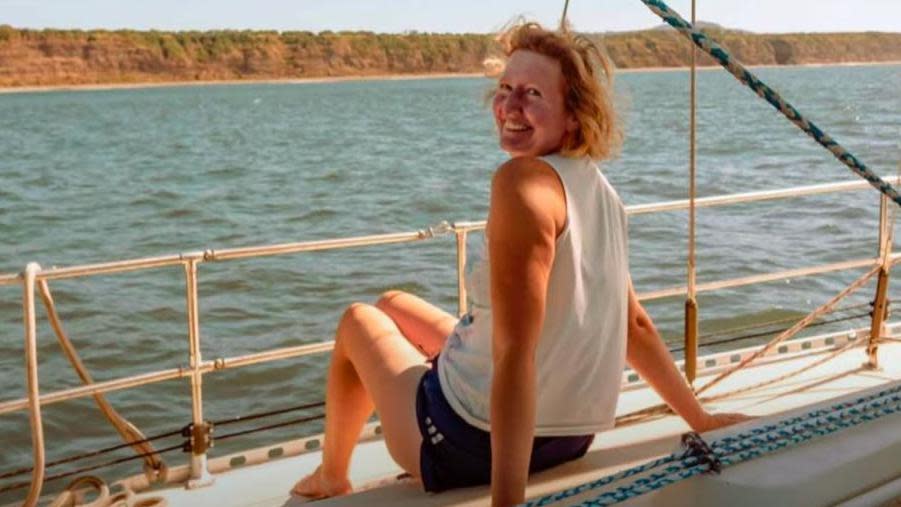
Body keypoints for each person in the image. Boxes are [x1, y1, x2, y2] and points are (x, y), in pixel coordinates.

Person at [292, 22, 751, 507]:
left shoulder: (521, 184)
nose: (510, 107)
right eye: (505, 89)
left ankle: (332, 476)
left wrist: (506, 502)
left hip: (467, 442)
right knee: (393, 304)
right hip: (570, 437)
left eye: (532, 94)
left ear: (572, 116)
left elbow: (515, 354)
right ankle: (441, 370)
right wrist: (700, 419)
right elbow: (634, 324)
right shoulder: (601, 192)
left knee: (357, 322)